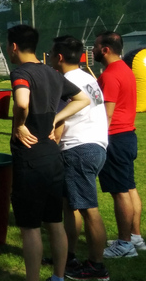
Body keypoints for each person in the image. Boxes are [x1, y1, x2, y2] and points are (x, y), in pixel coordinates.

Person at [7, 25, 89, 281]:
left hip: (29, 158)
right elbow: (83, 99)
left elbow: (22, 101)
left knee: (30, 227)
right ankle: (59, 277)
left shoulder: (21, 72)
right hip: (53, 157)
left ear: (13, 47)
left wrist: (20, 125)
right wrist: (55, 118)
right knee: (54, 222)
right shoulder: (52, 73)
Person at [49, 36, 109, 280]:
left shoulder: (65, 81)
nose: (50, 57)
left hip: (78, 148)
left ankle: (96, 265)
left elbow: (60, 121)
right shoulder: (87, 77)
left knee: (87, 208)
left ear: (59, 57)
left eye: (52, 53)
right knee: (71, 204)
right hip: (94, 145)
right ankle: (68, 255)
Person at [94, 31, 144, 258]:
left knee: (120, 192)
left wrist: (98, 140)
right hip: (127, 135)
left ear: (105, 49)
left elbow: (107, 114)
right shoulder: (125, 69)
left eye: (95, 46)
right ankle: (135, 237)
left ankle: (125, 245)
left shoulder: (111, 74)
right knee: (129, 188)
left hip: (114, 137)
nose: (92, 50)